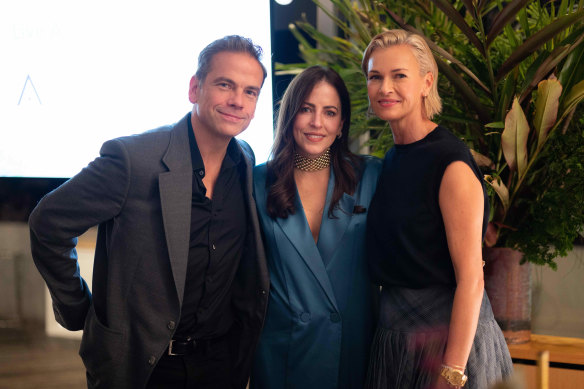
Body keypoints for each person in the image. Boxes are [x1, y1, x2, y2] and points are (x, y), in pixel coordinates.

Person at [28, 35, 270, 389]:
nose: (238, 100)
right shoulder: (133, 160)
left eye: (250, 92)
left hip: (223, 365)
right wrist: (79, 307)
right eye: (225, 85)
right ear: (194, 88)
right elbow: (48, 223)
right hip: (145, 369)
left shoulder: (245, 159)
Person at [362, 30, 513, 389]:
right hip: (397, 338)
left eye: (399, 75)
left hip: (450, 349)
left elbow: (472, 280)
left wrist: (451, 373)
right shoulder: (393, 157)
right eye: (375, 76)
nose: (385, 88)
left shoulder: (450, 164)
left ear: (426, 82)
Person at [250, 66, 382, 389]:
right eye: (306, 109)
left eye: (329, 112)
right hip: (283, 355)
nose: (316, 123)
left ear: (341, 125)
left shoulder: (371, 175)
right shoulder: (255, 181)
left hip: (352, 354)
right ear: (290, 115)